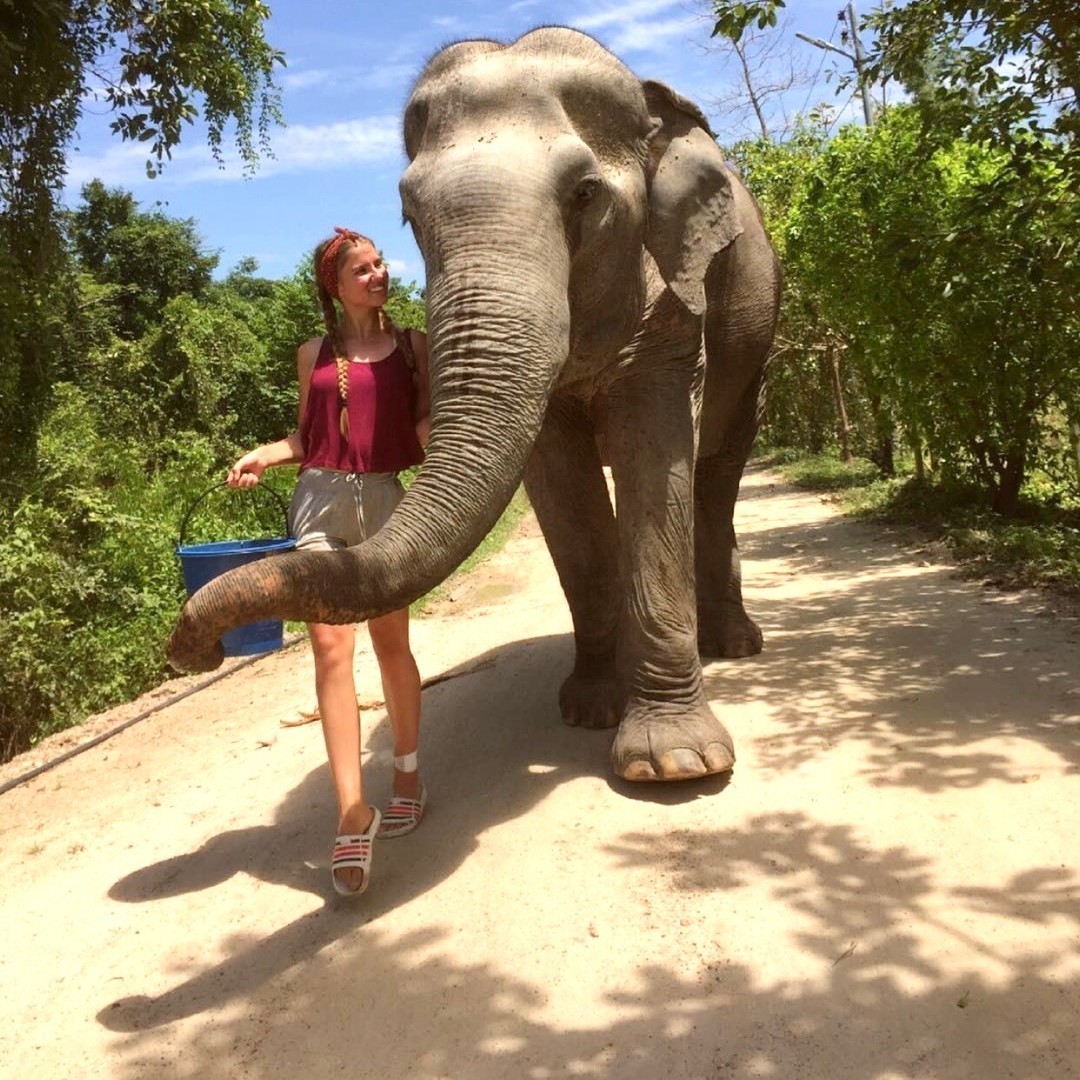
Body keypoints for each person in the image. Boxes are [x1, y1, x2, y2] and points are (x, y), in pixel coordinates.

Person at [226, 227, 431, 897]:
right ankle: (352, 811)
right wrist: (264, 455)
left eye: (380, 264)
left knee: (391, 645)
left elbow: (424, 427)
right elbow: (307, 436)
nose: (378, 274)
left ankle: (407, 773)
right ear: (335, 286)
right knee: (329, 649)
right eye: (362, 270)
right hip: (317, 504)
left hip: (387, 503)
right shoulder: (312, 353)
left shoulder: (414, 347)